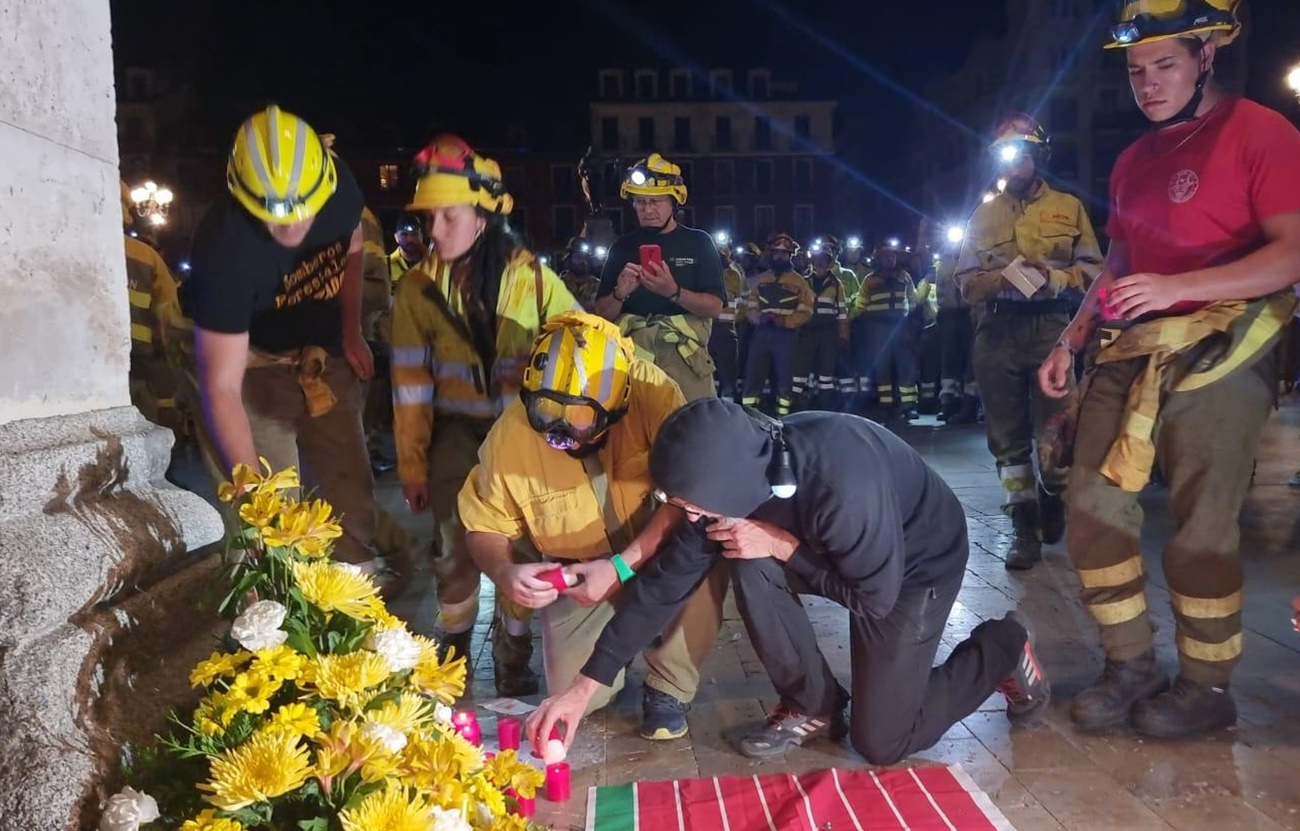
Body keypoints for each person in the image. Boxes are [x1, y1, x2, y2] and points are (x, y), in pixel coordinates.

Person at [1037, 0, 1300, 738]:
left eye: (1165, 64)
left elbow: (1292, 251)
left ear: (1206, 55)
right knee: (1088, 500)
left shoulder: (1261, 132)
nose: (1148, 84)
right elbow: (1120, 261)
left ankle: (1207, 685)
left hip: (1230, 340)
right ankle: (1130, 664)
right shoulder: (1132, 160)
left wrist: (1181, 287)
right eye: (1136, 70)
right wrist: (1071, 336)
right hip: (1136, 340)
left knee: (1203, 521)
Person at [527, 398, 1049, 765]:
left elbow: (873, 599)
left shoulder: (842, 489)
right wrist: (582, 688)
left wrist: (782, 546)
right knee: (743, 550)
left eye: (686, 504)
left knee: (883, 741)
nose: (681, 514)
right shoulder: (727, 480)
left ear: (725, 489)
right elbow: (661, 588)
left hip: (911, 566)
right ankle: (814, 705)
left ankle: (1002, 646)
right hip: (832, 548)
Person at [457, 312, 727, 740]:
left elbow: (688, 496)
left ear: (617, 407)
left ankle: (669, 684)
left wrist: (622, 566)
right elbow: (482, 525)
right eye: (545, 413)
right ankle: (611, 659)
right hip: (580, 574)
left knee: (711, 540)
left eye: (581, 421)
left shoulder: (654, 394)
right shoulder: (509, 437)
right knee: (573, 694)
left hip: (660, 550)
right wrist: (504, 572)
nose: (561, 434)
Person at [390, 134, 579, 694]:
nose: (436, 230)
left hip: (522, 439)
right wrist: (412, 468)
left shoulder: (536, 282)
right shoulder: (417, 290)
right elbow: (409, 386)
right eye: (430, 218)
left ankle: (514, 657)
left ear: (484, 215)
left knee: (522, 547)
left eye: (449, 216)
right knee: (453, 546)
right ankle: (452, 656)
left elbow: (581, 353)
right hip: (457, 436)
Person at [181, 104, 381, 572]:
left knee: (349, 498)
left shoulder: (338, 188)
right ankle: (272, 624)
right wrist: (258, 499)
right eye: (274, 217)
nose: (290, 228)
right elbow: (222, 388)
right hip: (248, 365)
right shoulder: (224, 248)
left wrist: (350, 331)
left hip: (317, 351)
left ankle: (360, 602)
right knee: (268, 532)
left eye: (302, 214)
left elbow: (353, 251)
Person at [956, 114, 1103, 570]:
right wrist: (1001, 279)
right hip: (997, 331)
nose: (1014, 161)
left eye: (1022, 151)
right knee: (1006, 437)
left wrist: (1054, 278)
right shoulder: (984, 213)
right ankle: (1023, 525)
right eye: (1005, 153)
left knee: (1058, 433)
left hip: (1051, 328)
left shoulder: (1069, 207)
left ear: (1039, 155)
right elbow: (962, 281)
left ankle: (1052, 492)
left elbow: (1096, 273)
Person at [595, 154, 725, 401]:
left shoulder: (698, 243)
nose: (647, 210)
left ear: (675, 203)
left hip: (685, 361)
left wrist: (673, 292)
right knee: (633, 434)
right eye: (640, 202)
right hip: (634, 360)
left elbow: (714, 307)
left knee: (693, 431)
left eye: (656, 202)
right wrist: (619, 293)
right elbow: (601, 314)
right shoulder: (622, 248)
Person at [740, 233, 814, 417]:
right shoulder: (761, 279)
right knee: (753, 376)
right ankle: (750, 416)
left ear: (790, 256)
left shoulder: (799, 282)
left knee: (784, 379)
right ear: (771, 254)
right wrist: (758, 318)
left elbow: (806, 310)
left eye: (784, 253)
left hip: (786, 336)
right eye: (776, 253)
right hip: (762, 333)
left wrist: (785, 321)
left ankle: (783, 417)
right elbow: (750, 306)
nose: (779, 256)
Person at [853, 240, 920, 419]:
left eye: (892, 256)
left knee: (906, 365)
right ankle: (886, 404)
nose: (890, 259)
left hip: (900, 327)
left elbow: (912, 299)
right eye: (885, 256)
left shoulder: (904, 277)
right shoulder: (870, 280)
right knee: (882, 367)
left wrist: (909, 316)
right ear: (879, 259)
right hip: (877, 327)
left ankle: (908, 405)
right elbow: (860, 304)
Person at [794, 238, 849, 411]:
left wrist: (843, 334)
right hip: (807, 332)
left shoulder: (837, 285)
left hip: (828, 334)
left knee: (826, 371)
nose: (820, 262)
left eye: (824, 259)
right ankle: (798, 404)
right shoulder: (803, 281)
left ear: (829, 262)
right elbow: (796, 307)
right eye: (817, 259)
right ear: (812, 261)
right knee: (801, 371)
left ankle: (824, 405)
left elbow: (842, 312)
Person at [557, 237, 602, 312]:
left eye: (585, 257)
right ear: (569, 259)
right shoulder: (559, 284)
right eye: (578, 257)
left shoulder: (597, 285)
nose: (582, 261)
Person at [389, 213, 427, 287]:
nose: (410, 239)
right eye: (404, 234)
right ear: (396, 237)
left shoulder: (433, 264)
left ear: (421, 236)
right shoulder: (386, 265)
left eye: (414, 234)